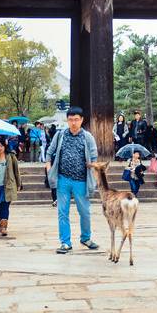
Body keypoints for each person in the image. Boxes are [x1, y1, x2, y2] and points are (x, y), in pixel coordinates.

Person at [44, 106, 99, 254]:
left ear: (81, 120)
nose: (73, 122)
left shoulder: (87, 137)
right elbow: (49, 153)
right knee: (62, 212)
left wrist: (92, 174)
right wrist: (49, 169)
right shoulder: (60, 135)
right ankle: (65, 242)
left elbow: (94, 157)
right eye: (70, 119)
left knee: (85, 212)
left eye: (76, 119)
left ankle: (86, 238)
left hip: (81, 181)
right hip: (63, 179)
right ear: (67, 120)